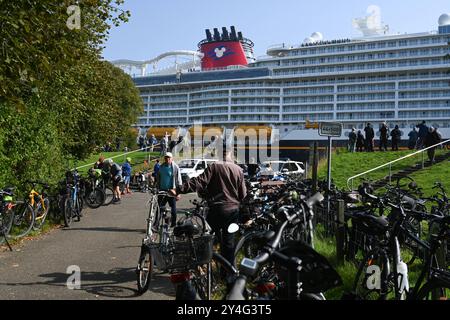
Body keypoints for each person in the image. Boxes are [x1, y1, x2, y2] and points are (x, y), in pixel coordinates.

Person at [170, 142, 247, 265]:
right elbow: (243, 194)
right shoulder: (238, 170)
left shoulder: (214, 167)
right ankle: (228, 274)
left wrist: (178, 189)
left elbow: (198, 182)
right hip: (232, 211)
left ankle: (203, 266)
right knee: (229, 243)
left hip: (216, 209)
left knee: (207, 238)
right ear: (231, 152)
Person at [155, 152, 182, 227]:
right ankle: (156, 225)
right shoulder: (161, 167)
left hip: (171, 191)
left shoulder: (175, 167)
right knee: (159, 208)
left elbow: (179, 180)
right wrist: (157, 188)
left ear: (172, 158)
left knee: (173, 209)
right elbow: (158, 178)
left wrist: (178, 192)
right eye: (166, 157)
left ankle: (173, 224)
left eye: (169, 158)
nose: (167, 159)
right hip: (162, 191)